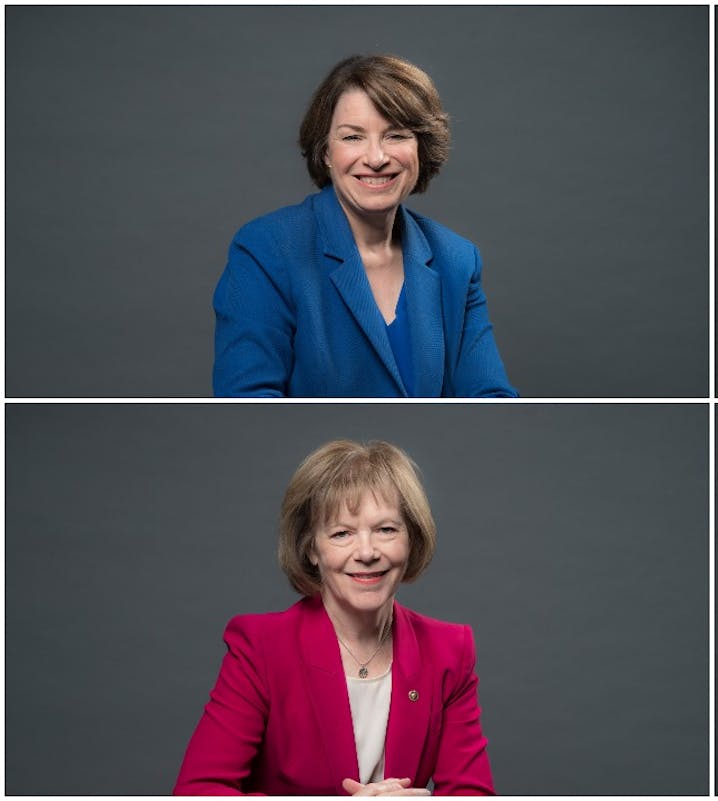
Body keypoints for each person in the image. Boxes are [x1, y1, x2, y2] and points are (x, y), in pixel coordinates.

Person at [174, 440, 495, 795]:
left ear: (411, 538)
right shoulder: (261, 647)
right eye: (342, 533)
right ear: (312, 548)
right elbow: (198, 791)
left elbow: (473, 792)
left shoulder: (449, 650)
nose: (367, 552)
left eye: (386, 529)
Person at [213, 55, 517, 397]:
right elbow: (248, 396)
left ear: (422, 147)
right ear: (325, 152)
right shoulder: (266, 250)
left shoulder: (457, 260)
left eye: (396, 135)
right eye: (353, 137)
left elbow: (489, 397)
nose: (375, 158)